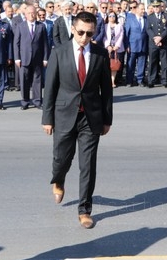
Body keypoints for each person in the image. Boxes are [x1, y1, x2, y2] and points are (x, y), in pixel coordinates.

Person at [42, 11, 113, 229]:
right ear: (73, 29)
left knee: (88, 165)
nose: (84, 37)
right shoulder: (60, 52)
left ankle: (84, 209)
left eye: (89, 34)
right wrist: (47, 118)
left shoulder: (100, 54)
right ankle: (59, 179)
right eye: (81, 32)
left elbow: (106, 90)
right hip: (64, 114)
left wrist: (107, 119)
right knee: (61, 159)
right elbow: (51, 87)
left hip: (90, 117)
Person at [14, 4, 49, 110]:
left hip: (37, 58)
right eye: (29, 13)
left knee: (37, 80)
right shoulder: (20, 26)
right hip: (24, 58)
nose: (31, 15)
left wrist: (45, 58)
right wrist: (17, 58)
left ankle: (37, 101)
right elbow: (16, 43)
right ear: (25, 14)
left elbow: (45, 43)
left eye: (33, 13)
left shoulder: (41, 26)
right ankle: (25, 102)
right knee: (24, 81)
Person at [145, 0, 167, 88]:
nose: (156, 8)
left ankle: (165, 81)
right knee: (152, 63)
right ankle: (151, 80)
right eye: (154, 7)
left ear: (161, 7)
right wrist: (155, 38)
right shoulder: (149, 17)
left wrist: (161, 37)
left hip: (164, 43)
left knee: (164, 63)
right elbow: (148, 29)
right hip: (153, 43)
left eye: (157, 6)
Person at [124, 3, 149, 87]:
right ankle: (129, 80)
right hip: (132, 45)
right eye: (141, 9)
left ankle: (140, 80)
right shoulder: (130, 19)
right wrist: (127, 45)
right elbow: (126, 33)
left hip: (143, 45)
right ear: (137, 10)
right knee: (131, 64)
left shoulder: (146, 19)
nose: (143, 11)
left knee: (141, 63)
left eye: (144, 9)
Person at [103, 12, 125, 88]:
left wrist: (117, 45)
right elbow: (104, 37)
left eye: (113, 16)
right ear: (108, 17)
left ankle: (113, 81)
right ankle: (107, 80)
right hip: (107, 48)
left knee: (114, 65)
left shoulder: (119, 26)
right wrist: (107, 45)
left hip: (117, 48)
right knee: (107, 65)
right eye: (110, 16)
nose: (112, 17)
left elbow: (121, 36)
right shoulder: (105, 26)